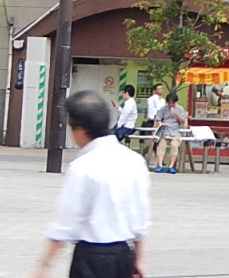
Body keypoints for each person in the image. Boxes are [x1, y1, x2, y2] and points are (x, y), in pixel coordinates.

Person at [33, 90, 150, 278]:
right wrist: (139, 259)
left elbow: (65, 221)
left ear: (79, 129)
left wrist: (44, 265)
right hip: (123, 255)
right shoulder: (134, 161)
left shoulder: (82, 167)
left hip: (91, 258)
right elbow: (140, 219)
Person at [154, 91, 188, 174]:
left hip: (175, 131)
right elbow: (158, 118)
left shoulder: (179, 108)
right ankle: (160, 165)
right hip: (165, 131)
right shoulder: (163, 109)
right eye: (169, 103)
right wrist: (160, 123)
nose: (171, 105)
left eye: (173, 103)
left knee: (174, 145)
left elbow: (183, 121)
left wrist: (176, 114)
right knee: (161, 145)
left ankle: (171, 166)